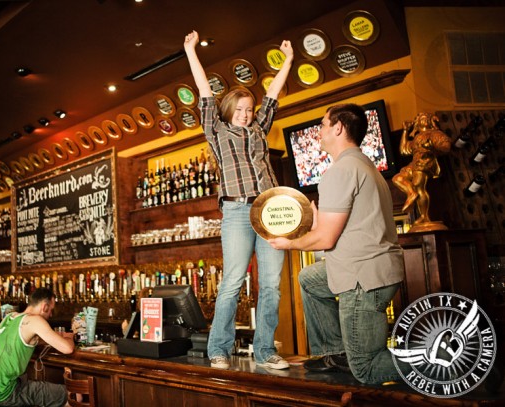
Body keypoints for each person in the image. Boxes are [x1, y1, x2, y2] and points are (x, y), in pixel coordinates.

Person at [268, 103, 404, 384]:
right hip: (377, 269)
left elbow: (326, 239)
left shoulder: (339, 171)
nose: (319, 132)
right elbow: (344, 227)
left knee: (365, 368)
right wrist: (317, 225)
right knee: (310, 278)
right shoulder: (367, 166)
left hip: (362, 279)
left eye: (322, 125)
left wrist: (287, 243)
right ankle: (335, 353)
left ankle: (449, 362)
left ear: (338, 128)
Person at [184, 30, 293, 370]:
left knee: (272, 285)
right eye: (240, 109)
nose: (246, 114)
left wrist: (289, 61)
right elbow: (203, 93)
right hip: (235, 209)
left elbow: (272, 95)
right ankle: (219, 349)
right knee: (232, 282)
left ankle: (265, 352)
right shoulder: (216, 132)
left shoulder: (260, 128)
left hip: (270, 208)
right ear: (229, 109)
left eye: (249, 109)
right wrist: (191, 51)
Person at [0, 287, 74, 407]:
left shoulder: (9, 317)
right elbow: (68, 349)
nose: (51, 314)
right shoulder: (35, 320)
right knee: (73, 395)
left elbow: (33, 338)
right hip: (7, 393)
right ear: (44, 307)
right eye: (51, 310)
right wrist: (70, 336)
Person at [392, 112, 451, 228]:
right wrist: (405, 131)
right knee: (397, 178)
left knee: (418, 185)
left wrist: (433, 146)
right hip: (414, 163)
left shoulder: (435, 133)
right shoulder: (416, 138)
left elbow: (446, 146)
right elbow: (404, 150)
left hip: (426, 162)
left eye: (425, 118)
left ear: (430, 121)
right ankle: (411, 193)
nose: (423, 120)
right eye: (421, 119)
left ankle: (424, 216)